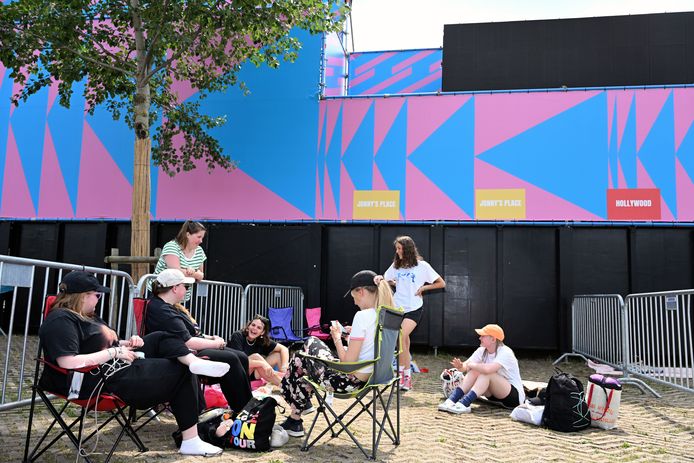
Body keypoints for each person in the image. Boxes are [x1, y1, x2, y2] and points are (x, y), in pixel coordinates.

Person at [38, 271, 229, 456]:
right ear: (82, 296)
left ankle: (193, 361)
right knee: (180, 370)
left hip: (115, 364)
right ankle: (190, 441)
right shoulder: (61, 319)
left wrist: (127, 343)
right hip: (99, 380)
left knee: (161, 337)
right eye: (96, 295)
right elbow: (68, 361)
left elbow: (101, 343)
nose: (99, 299)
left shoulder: (88, 316)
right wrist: (114, 352)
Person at [279, 270, 394, 438]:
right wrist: (351, 337)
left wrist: (337, 338)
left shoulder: (362, 316)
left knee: (300, 357)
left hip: (347, 382)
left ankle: (297, 412)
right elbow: (370, 350)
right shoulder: (387, 315)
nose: (354, 303)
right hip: (372, 377)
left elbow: (347, 363)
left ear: (361, 291)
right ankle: (298, 413)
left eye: (354, 297)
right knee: (310, 343)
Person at [144, 268, 253, 414]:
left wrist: (212, 338)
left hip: (187, 349)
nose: (187, 290)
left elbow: (190, 333)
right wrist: (216, 343)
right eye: (186, 286)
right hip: (178, 355)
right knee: (231, 359)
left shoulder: (167, 306)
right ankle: (244, 411)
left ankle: (245, 406)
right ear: (175, 288)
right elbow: (188, 341)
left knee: (241, 356)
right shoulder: (162, 310)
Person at [379, 235, 445, 391]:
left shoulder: (422, 266)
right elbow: (385, 278)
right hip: (397, 308)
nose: (397, 251)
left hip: (414, 309)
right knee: (403, 343)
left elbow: (441, 283)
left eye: (400, 248)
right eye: (396, 248)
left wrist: (423, 288)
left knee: (401, 336)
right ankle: (404, 378)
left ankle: (405, 378)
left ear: (407, 249)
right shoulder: (396, 265)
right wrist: (390, 281)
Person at [437, 324, 525, 414]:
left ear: (493, 339)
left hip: (513, 398)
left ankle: (464, 403)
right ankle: (451, 400)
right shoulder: (481, 350)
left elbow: (487, 370)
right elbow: (465, 367)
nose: (479, 338)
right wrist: (460, 366)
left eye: (483, 336)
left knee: (486, 373)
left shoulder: (506, 352)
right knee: (476, 370)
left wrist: (470, 365)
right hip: (493, 395)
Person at [151, 220, 207, 300]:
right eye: (199, 237)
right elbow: (175, 272)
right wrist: (195, 274)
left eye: (202, 238)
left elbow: (201, 274)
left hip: (182, 298)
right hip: (161, 295)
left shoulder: (199, 251)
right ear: (188, 234)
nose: (201, 241)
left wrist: (195, 273)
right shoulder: (171, 246)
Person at [227, 315, 289, 386]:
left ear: (262, 332)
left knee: (277, 355)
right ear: (248, 326)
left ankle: (286, 379)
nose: (254, 328)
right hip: (235, 373)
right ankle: (284, 385)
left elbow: (284, 348)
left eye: (259, 328)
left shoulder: (261, 340)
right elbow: (239, 361)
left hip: (251, 373)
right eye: (253, 325)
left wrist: (284, 367)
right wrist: (262, 364)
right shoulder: (238, 336)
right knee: (256, 357)